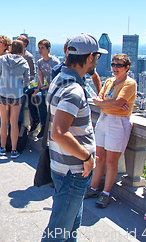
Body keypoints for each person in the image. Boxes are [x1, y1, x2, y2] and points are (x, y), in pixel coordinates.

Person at [41, 33, 106, 242]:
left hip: (62, 164)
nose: (96, 61)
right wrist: (87, 158)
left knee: (70, 226)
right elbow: (59, 132)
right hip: (73, 169)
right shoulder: (74, 90)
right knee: (58, 230)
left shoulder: (60, 78)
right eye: (97, 56)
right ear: (89, 58)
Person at [84, 53, 137, 208]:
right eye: (113, 64)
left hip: (118, 124)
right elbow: (98, 101)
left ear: (127, 67)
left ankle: (105, 193)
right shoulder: (109, 81)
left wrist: (109, 103)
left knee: (111, 161)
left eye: (119, 65)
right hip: (104, 120)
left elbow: (112, 102)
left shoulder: (129, 84)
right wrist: (112, 103)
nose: (115, 68)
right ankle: (93, 188)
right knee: (99, 157)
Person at [0, 40, 30, 159]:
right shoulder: (24, 62)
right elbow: (27, 81)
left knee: (4, 122)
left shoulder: (3, 59)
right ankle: (14, 150)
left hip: (3, 92)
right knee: (14, 123)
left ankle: (3, 148)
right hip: (17, 94)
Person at [32, 39, 60, 138]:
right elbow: (41, 78)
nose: (40, 50)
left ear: (48, 49)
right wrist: (37, 89)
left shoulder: (55, 62)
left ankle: (43, 125)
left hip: (54, 87)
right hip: (46, 86)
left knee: (40, 96)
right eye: (39, 48)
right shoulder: (39, 62)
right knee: (29, 93)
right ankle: (35, 119)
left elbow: (54, 81)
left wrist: (40, 90)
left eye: (42, 48)